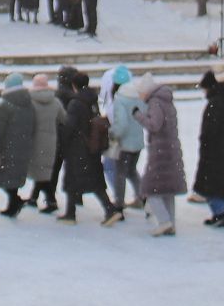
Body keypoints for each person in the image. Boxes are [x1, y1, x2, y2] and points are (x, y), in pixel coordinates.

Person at [133, 75, 186, 237]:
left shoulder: (155, 103)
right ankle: (171, 223)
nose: (139, 96)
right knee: (167, 189)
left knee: (150, 188)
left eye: (140, 92)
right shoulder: (166, 101)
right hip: (171, 149)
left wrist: (138, 116)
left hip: (160, 152)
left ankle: (164, 222)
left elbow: (154, 125)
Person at [61, 72, 117, 224]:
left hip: (78, 147)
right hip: (92, 146)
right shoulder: (92, 99)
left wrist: (62, 139)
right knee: (95, 181)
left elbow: (70, 126)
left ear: (74, 85)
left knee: (73, 179)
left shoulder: (76, 103)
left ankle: (71, 214)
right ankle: (108, 208)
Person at [0, 73, 36, 218]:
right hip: (23, 147)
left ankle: (14, 202)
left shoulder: (4, 107)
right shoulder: (29, 104)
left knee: (3, 178)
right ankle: (14, 203)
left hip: (6, 149)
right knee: (12, 178)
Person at [24, 73, 63, 213]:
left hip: (35, 140)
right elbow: (63, 119)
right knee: (43, 170)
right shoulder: (56, 102)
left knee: (41, 172)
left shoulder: (30, 103)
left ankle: (51, 201)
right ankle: (34, 198)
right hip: (51, 141)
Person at [107, 68, 144, 214]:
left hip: (124, 144)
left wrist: (112, 133)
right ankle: (142, 197)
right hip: (138, 141)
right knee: (132, 171)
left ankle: (119, 203)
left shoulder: (120, 99)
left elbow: (121, 124)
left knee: (120, 173)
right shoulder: (138, 96)